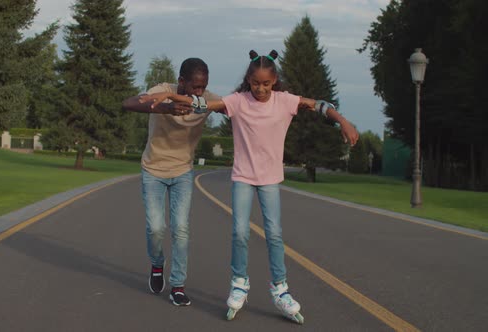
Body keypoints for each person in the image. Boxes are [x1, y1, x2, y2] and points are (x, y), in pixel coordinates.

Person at [142, 50, 359, 322]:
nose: (261, 89)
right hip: (243, 177)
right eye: (255, 83)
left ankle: (280, 289)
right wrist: (171, 96)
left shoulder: (284, 101)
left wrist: (343, 121)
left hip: (270, 179)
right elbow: (200, 105)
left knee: (274, 234)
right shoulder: (238, 101)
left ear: (274, 81)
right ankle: (239, 283)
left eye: (266, 84)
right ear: (249, 80)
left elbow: (317, 105)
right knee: (240, 232)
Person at [121, 58, 220, 306]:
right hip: (153, 169)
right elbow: (129, 103)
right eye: (195, 87)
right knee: (156, 228)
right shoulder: (162, 90)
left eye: (203, 86)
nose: (199, 92)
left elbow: (235, 108)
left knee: (181, 229)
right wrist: (164, 107)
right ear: (181, 82)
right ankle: (157, 264)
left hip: (183, 172)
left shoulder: (207, 98)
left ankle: (178, 285)